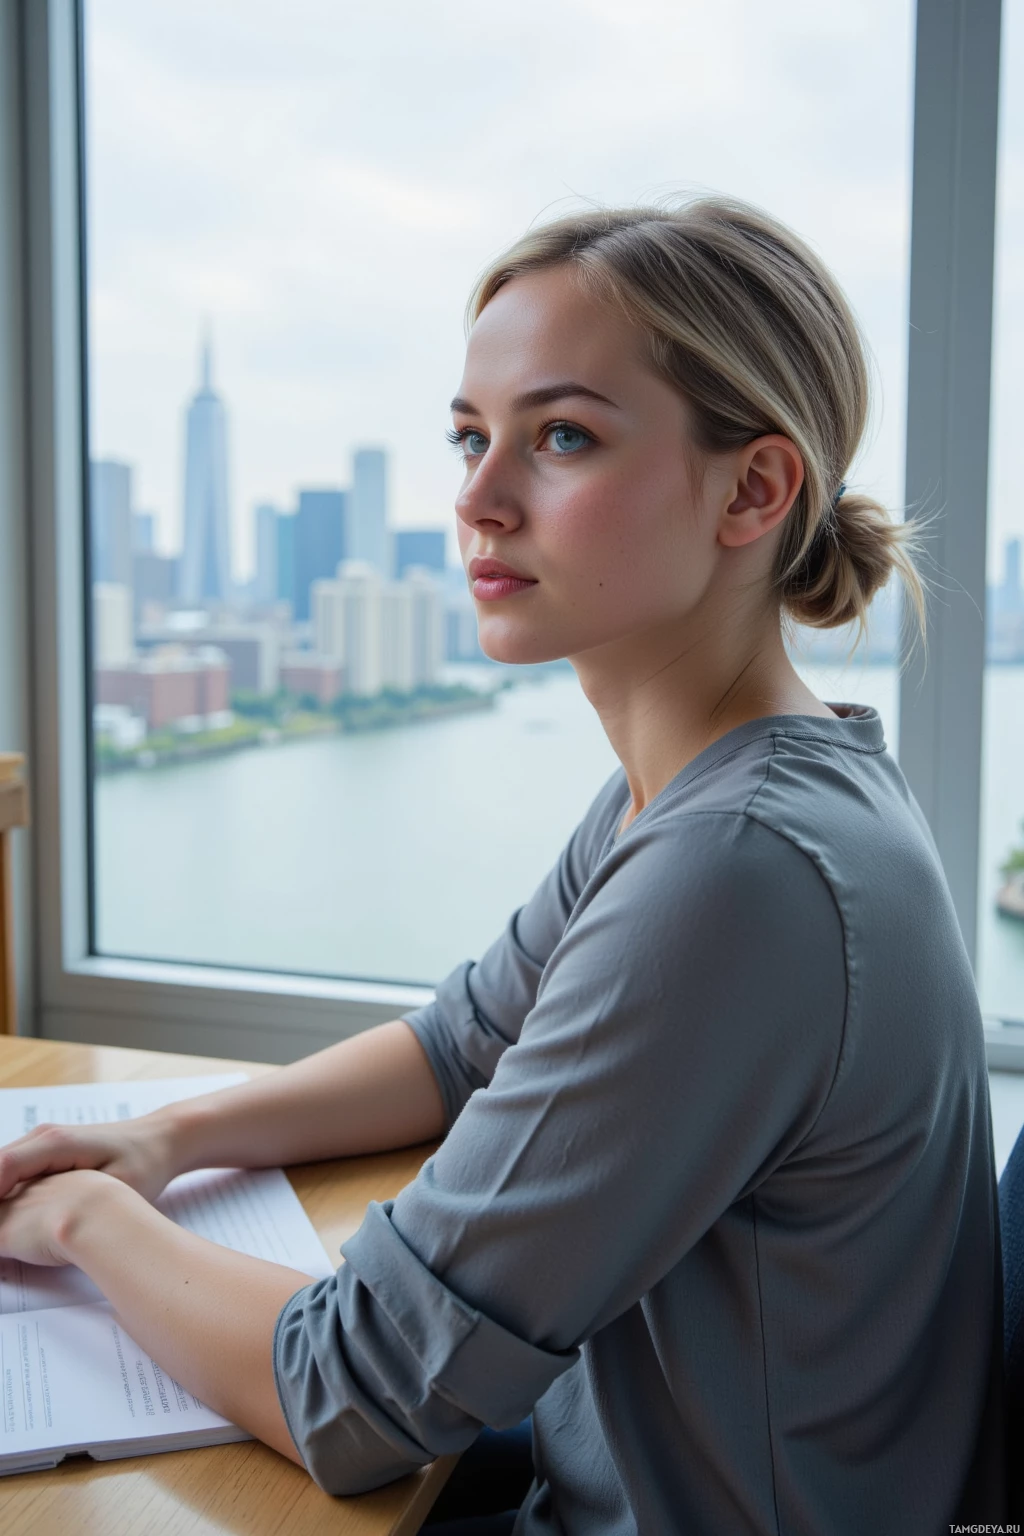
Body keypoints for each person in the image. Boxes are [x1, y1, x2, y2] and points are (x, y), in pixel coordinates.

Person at [0, 198, 1007, 1534]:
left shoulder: (736, 867)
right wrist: (162, 1137)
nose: (476, 498)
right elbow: (465, 1042)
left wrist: (74, 1222)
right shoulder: (718, 787)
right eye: (472, 437)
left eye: (563, 438)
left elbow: (355, 1391)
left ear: (752, 490)